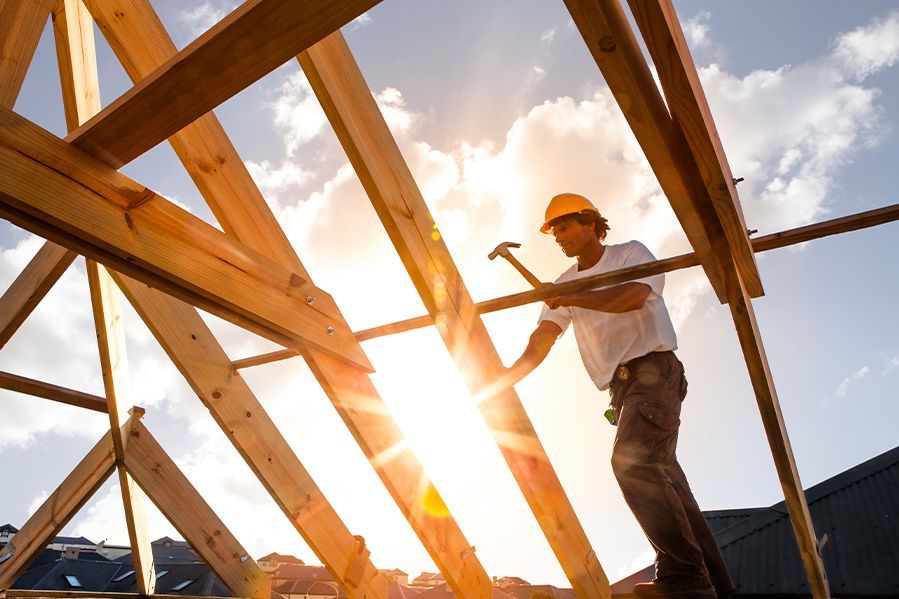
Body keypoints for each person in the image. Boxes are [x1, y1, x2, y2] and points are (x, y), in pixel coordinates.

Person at [500, 193, 733, 598]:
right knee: (670, 486)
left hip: (655, 372)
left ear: (592, 224)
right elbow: (544, 337)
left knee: (632, 463)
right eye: (554, 231)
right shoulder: (564, 285)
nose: (559, 237)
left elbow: (632, 298)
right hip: (623, 389)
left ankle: (685, 579)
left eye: (566, 226)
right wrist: (504, 378)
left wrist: (569, 296)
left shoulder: (628, 255)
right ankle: (713, 588)